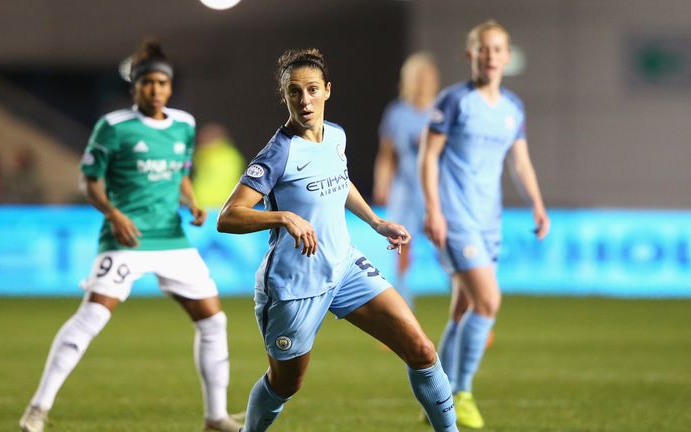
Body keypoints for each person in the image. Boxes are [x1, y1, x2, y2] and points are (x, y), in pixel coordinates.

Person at [217, 48, 459, 432]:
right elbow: (228, 216)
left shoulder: (335, 136)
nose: (305, 100)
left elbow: (340, 181)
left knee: (422, 350)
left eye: (312, 89)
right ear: (285, 96)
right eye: (295, 92)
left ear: (327, 90)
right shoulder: (278, 153)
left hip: (344, 266)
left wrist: (376, 222)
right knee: (285, 384)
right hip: (295, 284)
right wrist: (283, 216)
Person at [19, 40, 242, 432]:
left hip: (171, 238)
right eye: (147, 83)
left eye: (162, 83)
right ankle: (38, 408)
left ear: (170, 87)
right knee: (91, 316)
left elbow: (180, 173)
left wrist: (191, 201)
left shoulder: (184, 125)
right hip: (128, 237)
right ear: (135, 87)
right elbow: (89, 181)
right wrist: (113, 214)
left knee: (213, 321)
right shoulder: (114, 127)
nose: (155, 90)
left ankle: (215, 417)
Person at [418, 20, 550, 429]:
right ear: (470, 55)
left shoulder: (512, 108)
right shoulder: (454, 101)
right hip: (456, 218)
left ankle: (436, 400)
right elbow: (428, 157)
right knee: (488, 301)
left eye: (497, 49)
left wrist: (537, 204)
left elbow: (520, 162)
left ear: (507, 57)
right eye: (483, 49)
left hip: (488, 220)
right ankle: (462, 394)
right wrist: (434, 210)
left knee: (463, 309)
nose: (490, 56)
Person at [373, 52, 439, 307]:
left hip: (436, 192)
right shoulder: (396, 113)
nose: (422, 82)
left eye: (426, 76)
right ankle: (402, 307)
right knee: (401, 247)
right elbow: (387, 154)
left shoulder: (441, 112)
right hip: (405, 191)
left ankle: (465, 305)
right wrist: (382, 183)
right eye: (417, 76)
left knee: (446, 247)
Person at [192, 123, 245, 208]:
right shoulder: (234, 155)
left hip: (211, 204)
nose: (201, 142)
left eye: (206, 138)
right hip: (223, 204)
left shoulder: (206, 154)